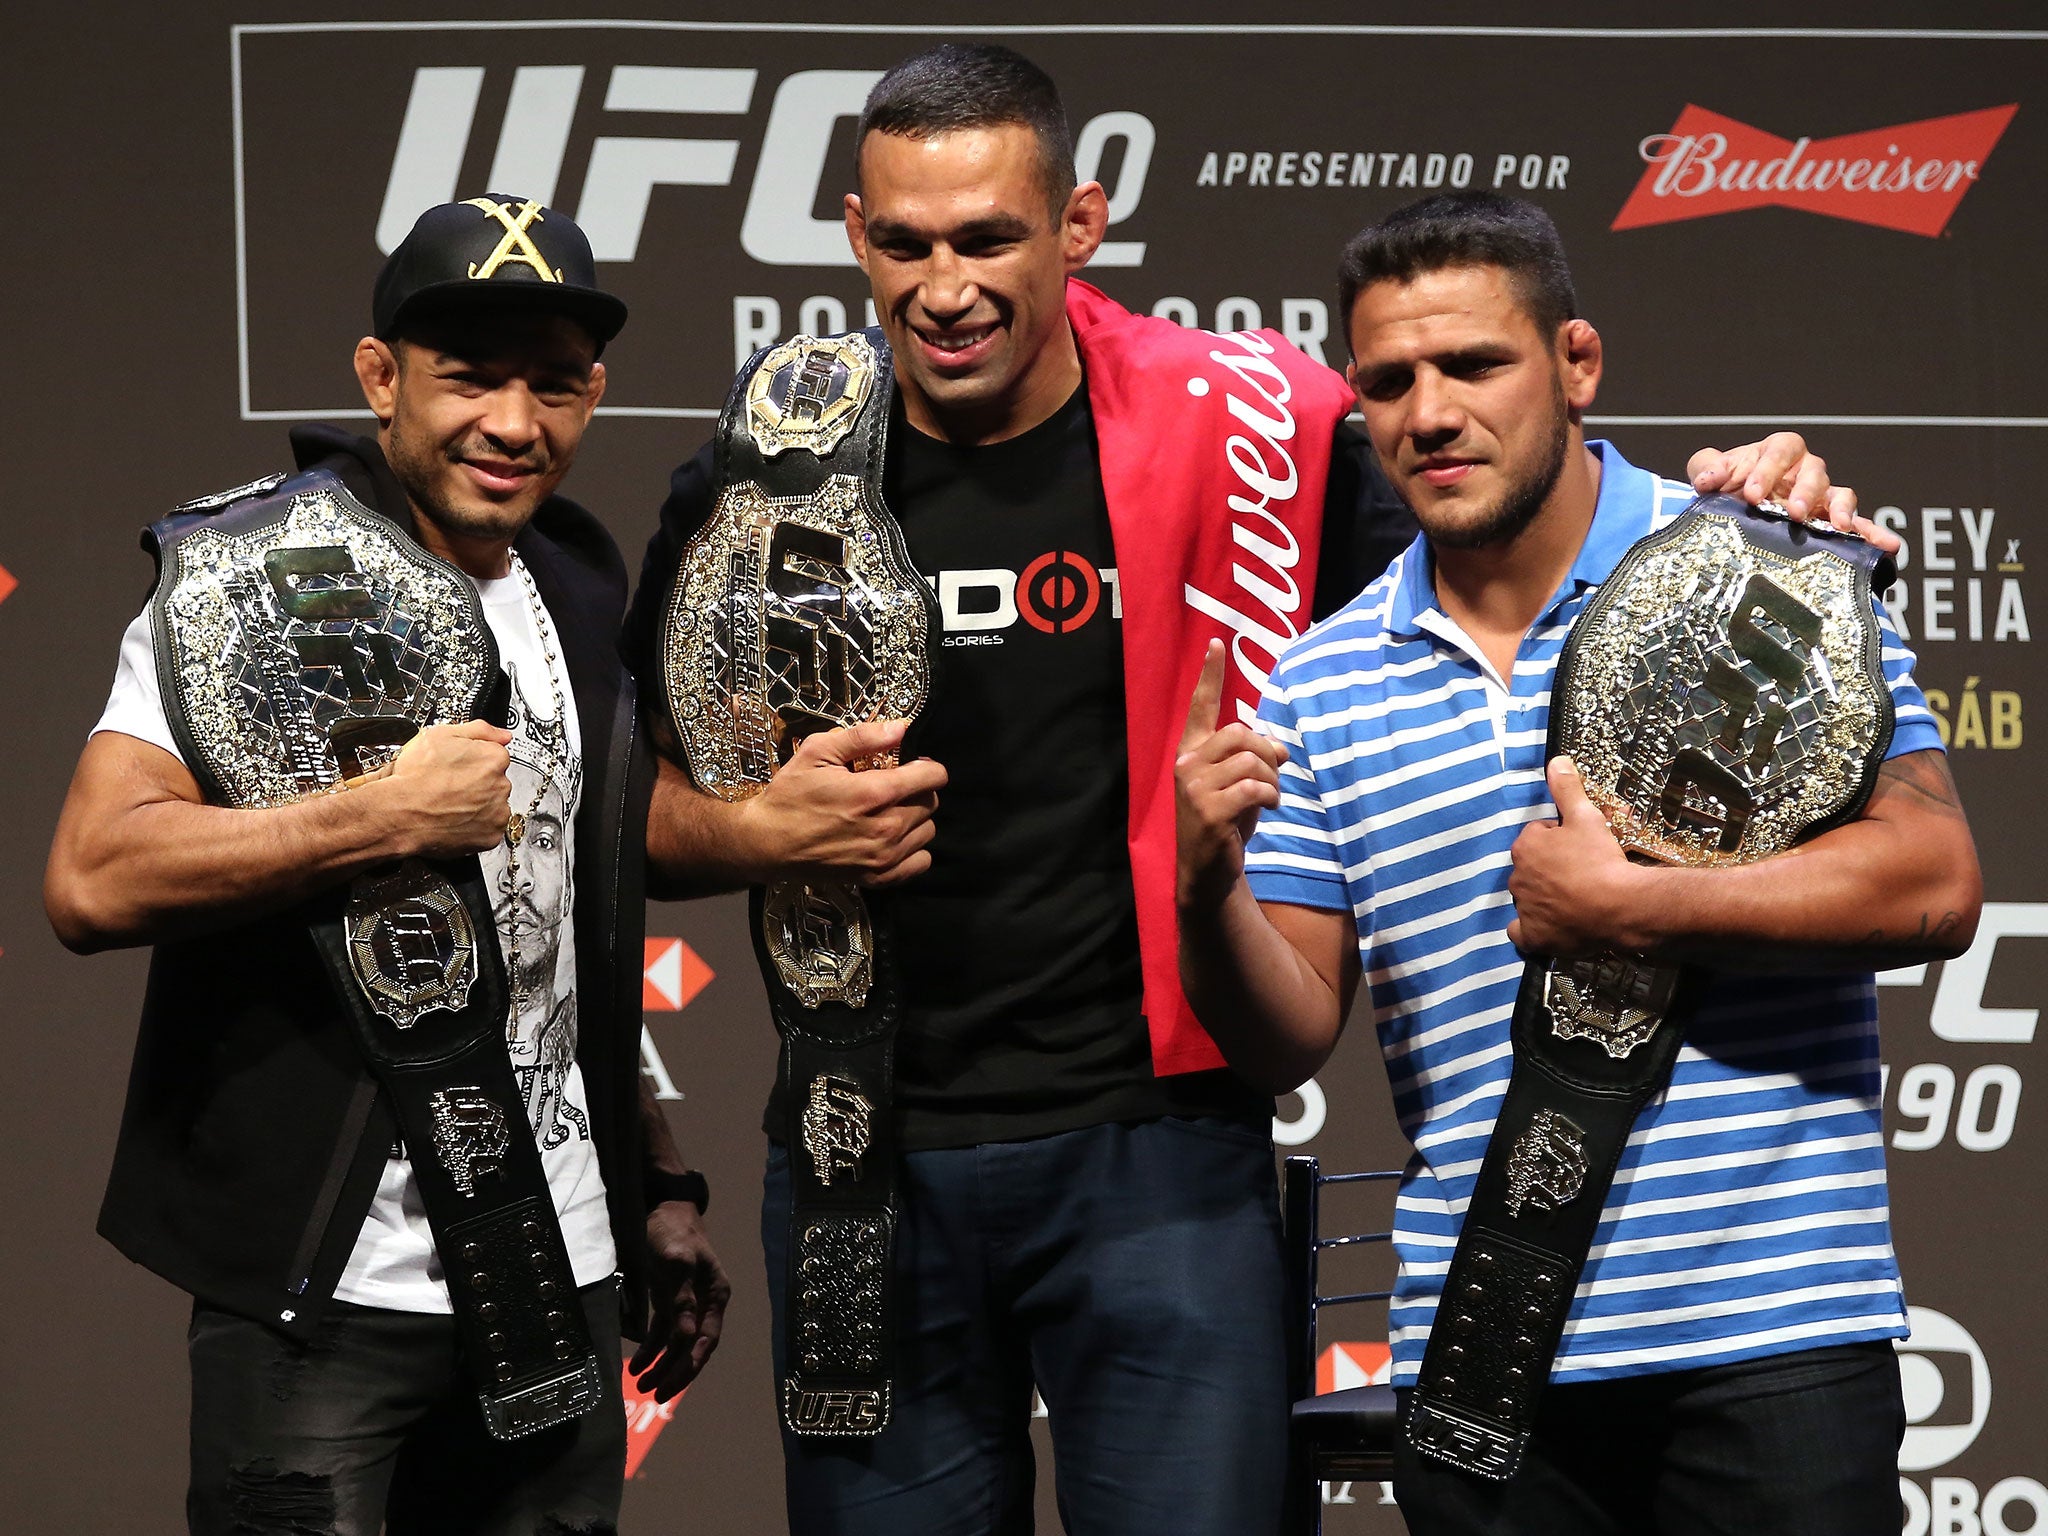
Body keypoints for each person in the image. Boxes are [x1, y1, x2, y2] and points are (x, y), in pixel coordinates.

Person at [627, 46, 1867, 1536]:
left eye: (988, 238)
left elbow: (1510, 524)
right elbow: (618, 811)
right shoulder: (763, 484)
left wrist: (1770, 535)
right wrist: (750, 831)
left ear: (1078, 226)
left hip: (1166, 1158)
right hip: (863, 1157)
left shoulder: (1256, 432)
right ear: (854, 235)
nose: (943, 285)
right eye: (905, 242)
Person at [1175, 191, 1983, 1535]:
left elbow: (1934, 880)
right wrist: (1203, 891)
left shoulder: (1762, 567)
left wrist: (1635, 905)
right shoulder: (1318, 683)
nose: (1429, 413)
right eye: (1387, 381)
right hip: (1487, 1356)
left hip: (1768, 1342)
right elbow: (1284, 1036)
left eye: (1474, 364)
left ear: (1577, 363)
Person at [44, 195, 729, 1536]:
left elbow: (554, 930)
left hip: (560, 1274)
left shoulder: (578, 588)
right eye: (471, 376)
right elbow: (93, 877)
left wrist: (655, 1185)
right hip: (332, 1302)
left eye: (555, 384)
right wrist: (379, 815)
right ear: (380, 378)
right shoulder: (251, 576)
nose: (515, 424)